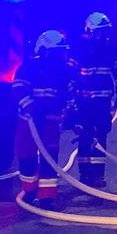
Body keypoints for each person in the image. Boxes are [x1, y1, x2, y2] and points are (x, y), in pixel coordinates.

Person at [12, 30, 77, 207]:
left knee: (50, 158)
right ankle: (30, 189)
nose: (60, 56)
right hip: (28, 123)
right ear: (44, 50)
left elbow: (70, 94)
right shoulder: (28, 68)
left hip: (51, 122)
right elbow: (18, 89)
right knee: (26, 157)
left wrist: (71, 113)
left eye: (61, 52)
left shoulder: (63, 72)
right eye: (56, 52)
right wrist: (32, 108)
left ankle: (47, 197)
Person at [71, 12, 117, 188]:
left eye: (106, 32)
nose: (104, 36)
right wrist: (71, 103)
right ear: (91, 31)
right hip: (83, 103)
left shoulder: (111, 49)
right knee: (85, 137)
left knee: (100, 137)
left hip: (102, 104)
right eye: (101, 32)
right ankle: (85, 175)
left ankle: (97, 176)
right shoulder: (79, 49)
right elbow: (70, 77)